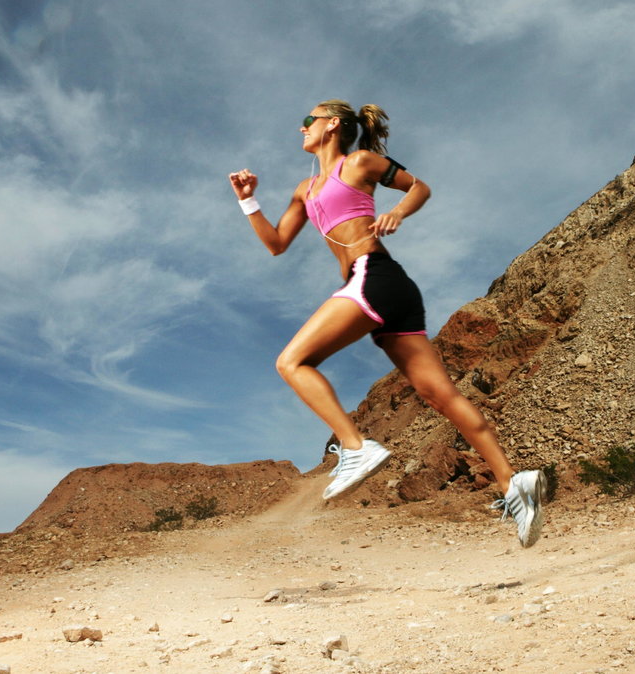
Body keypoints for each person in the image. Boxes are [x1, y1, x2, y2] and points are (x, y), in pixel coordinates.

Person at [228, 100, 546, 547]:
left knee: (292, 362)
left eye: (307, 121)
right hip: (388, 290)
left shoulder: (359, 162)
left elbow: (419, 187)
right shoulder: (305, 190)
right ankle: (513, 483)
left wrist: (399, 211)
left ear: (332, 125)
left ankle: (356, 447)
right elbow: (277, 243)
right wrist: (248, 201)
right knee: (439, 395)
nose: (300, 128)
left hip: (374, 277)